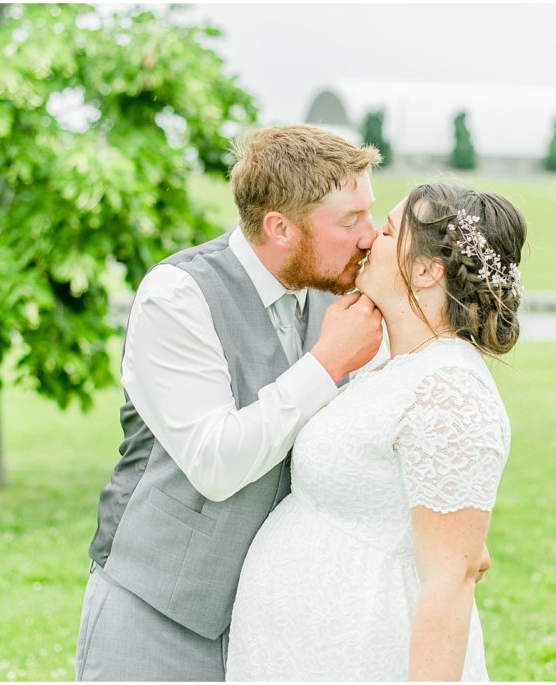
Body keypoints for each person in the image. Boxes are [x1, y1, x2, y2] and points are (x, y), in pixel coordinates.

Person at [75, 125, 388, 681]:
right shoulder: (176, 296)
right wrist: (325, 365)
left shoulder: (335, 295)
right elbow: (215, 464)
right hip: (157, 611)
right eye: (350, 220)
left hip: (276, 625)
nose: (370, 236)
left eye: (369, 213)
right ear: (280, 228)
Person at [226, 182, 526, 681]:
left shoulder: (449, 391)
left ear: (427, 270)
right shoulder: (392, 365)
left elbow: (450, 583)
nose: (367, 240)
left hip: (366, 650)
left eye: (387, 231)